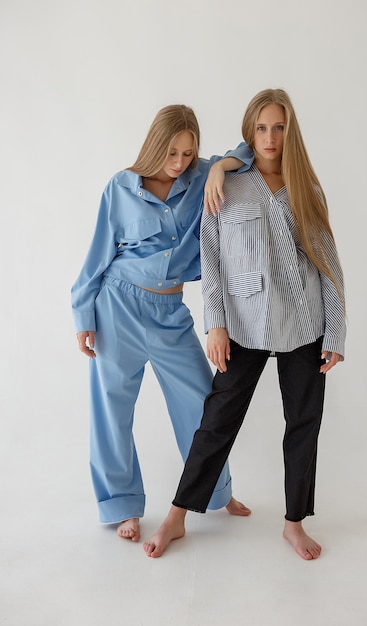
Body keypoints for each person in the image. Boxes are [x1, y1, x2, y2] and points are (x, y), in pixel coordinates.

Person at [143, 89, 346, 560]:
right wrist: (215, 324)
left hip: (304, 324)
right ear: (248, 130)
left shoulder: (308, 190)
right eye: (261, 127)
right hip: (243, 325)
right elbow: (211, 260)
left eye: (278, 127)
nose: (270, 137)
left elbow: (329, 265)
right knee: (216, 421)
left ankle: (294, 522)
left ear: (289, 131)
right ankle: (177, 515)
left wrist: (334, 331)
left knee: (303, 424)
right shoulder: (227, 185)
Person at [71, 104, 253, 542]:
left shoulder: (202, 176)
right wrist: (83, 314)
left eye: (189, 154)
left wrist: (218, 168)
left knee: (201, 404)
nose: (179, 163)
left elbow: (249, 151)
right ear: (156, 145)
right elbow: (99, 253)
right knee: (112, 410)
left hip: (171, 311)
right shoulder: (121, 187)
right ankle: (123, 506)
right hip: (117, 306)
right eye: (172, 153)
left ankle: (214, 492)